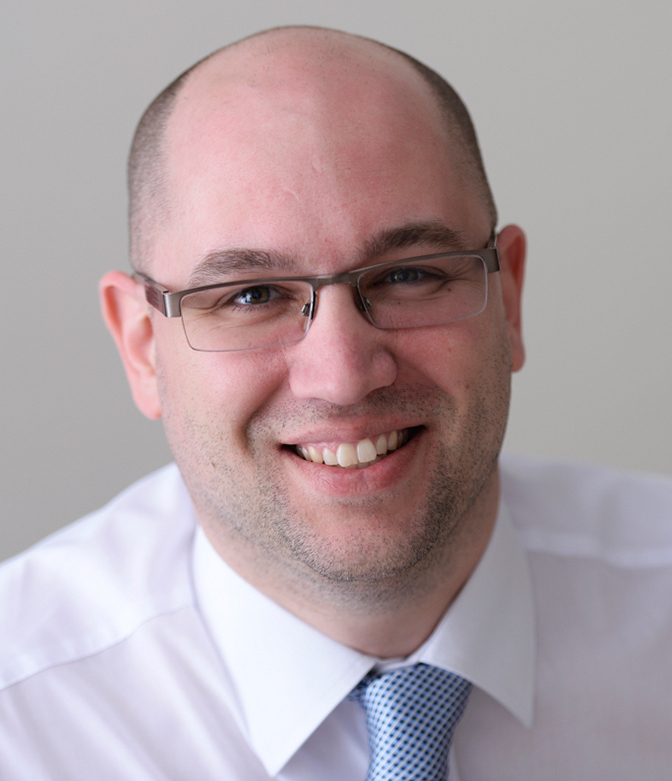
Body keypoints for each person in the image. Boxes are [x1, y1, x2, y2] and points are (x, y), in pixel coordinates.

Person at [1, 26, 671, 781]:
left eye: (410, 275)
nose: (344, 375)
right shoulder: (21, 722)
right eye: (251, 295)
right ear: (142, 346)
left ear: (508, 298)